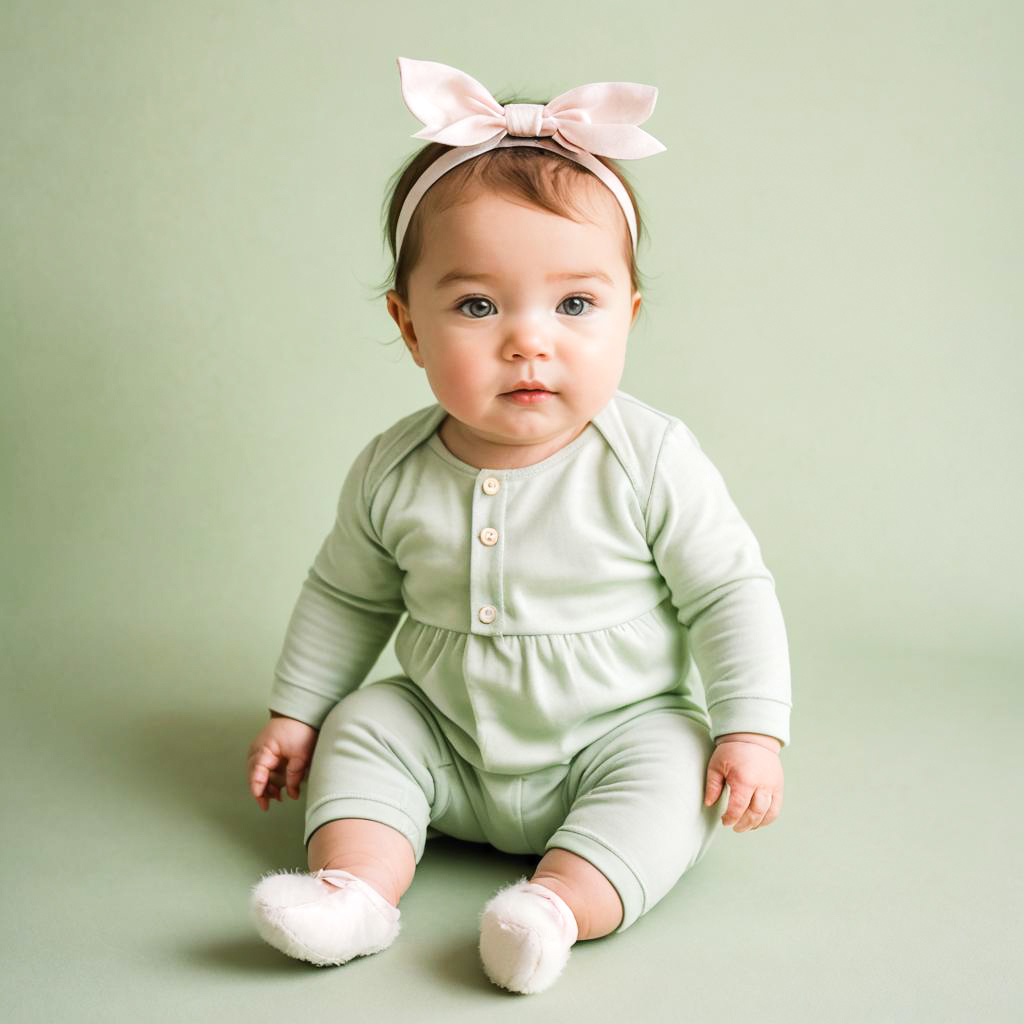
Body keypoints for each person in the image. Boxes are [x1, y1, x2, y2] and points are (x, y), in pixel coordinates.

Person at [245, 56, 792, 995]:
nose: (528, 339)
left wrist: (753, 730)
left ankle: (555, 906)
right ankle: (354, 891)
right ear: (408, 326)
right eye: (476, 305)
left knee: (676, 768)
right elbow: (345, 593)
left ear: (629, 315)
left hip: (612, 736)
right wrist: (297, 713)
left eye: (576, 303)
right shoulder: (393, 466)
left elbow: (728, 592)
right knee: (367, 724)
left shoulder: (649, 458)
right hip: (446, 737)